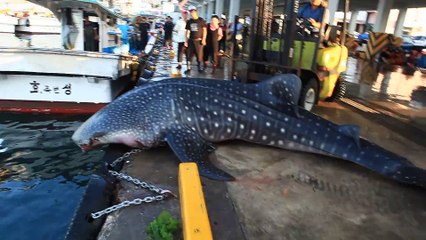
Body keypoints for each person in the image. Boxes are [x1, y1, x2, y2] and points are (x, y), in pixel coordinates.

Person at [184, 5, 207, 74]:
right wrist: (186, 41)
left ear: (196, 12)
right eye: (191, 12)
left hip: (199, 41)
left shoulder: (201, 20)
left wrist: (204, 39)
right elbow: (187, 31)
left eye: (193, 12)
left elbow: (205, 30)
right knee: (188, 55)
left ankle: (199, 68)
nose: (192, 13)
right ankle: (188, 68)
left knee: (199, 55)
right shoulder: (189, 21)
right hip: (191, 40)